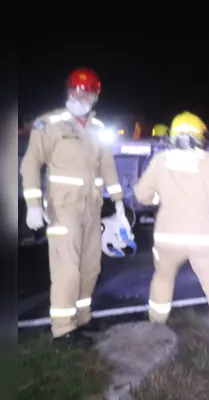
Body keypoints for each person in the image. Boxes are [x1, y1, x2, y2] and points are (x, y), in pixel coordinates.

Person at [20, 67, 131, 347]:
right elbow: (31, 163)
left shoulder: (98, 129)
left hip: (92, 208)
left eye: (87, 91)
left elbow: (107, 166)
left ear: (95, 96)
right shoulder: (49, 123)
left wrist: (118, 204)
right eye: (76, 89)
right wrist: (33, 205)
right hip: (63, 207)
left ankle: (83, 317)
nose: (81, 95)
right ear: (68, 91)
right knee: (67, 270)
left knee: (90, 267)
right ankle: (63, 330)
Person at [133, 111, 209, 363]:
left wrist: (157, 199)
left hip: (167, 239)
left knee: (162, 281)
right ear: (199, 136)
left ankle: (155, 332)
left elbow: (140, 195)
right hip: (203, 239)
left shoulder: (160, 160)